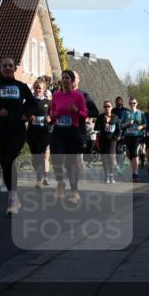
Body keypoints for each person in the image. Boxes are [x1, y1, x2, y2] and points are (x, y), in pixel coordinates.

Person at [0, 57, 38, 215]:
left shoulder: (21, 86)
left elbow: (33, 104)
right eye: (4, 65)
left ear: (15, 69)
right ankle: (13, 196)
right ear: (0, 68)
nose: (7, 68)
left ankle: (12, 200)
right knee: (6, 166)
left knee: (10, 160)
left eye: (10, 66)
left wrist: (25, 115)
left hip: (17, 130)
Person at [49, 70, 87, 203]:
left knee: (70, 164)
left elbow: (84, 115)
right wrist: (53, 115)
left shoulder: (78, 96)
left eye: (67, 78)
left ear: (72, 81)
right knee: (56, 159)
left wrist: (76, 111)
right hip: (58, 130)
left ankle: (74, 192)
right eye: (63, 78)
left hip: (73, 131)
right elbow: (52, 111)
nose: (65, 80)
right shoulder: (56, 95)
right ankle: (60, 183)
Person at [26, 79, 52, 189]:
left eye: (40, 88)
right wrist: (29, 117)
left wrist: (49, 118)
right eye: (36, 87)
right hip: (32, 132)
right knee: (35, 157)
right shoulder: (29, 102)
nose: (37, 90)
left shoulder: (48, 102)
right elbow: (24, 114)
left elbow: (53, 115)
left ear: (43, 89)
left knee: (42, 155)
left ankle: (40, 179)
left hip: (44, 132)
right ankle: (39, 176)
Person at [119, 98, 146, 181]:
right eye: (130, 103)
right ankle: (133, 170)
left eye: (134, 103)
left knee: (135, 153)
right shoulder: (125, 113)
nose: (132, 105)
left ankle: (135, 174)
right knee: (130, 155)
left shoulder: (141, 113)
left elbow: (145, 124)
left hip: (137, 136)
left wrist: (141, 126)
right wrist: (127, 123)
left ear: (137, 103)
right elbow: (121, 125)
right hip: (128, 136)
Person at [95, 100, 120, 184]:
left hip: (112, 140)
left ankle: (111, 175)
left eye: (108, 106)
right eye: (105, 106)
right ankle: (106, 175)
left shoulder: (115, 117)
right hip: (103, 140)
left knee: (111, 158)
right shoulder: (100, 117)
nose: (107, 108)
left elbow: (118, 130)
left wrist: (116, 137)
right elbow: (95, 128)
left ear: (111, 107)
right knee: (104, 159)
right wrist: (103, 125)